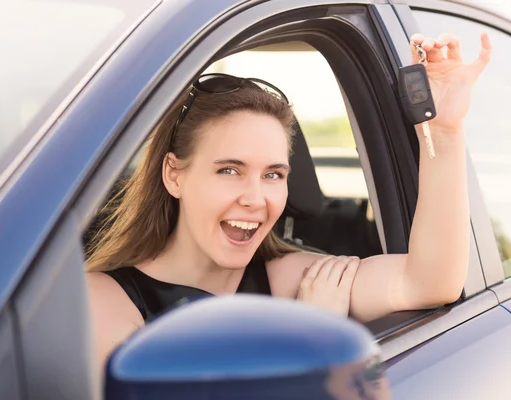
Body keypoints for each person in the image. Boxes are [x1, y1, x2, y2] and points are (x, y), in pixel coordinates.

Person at [84, 32, 492, 368]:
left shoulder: (289, 280)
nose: (256, 198)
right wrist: (310, 345)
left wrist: (442, 131)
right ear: (174, 174)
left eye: (273, 175)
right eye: (229, 170)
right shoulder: (106, 299)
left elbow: (428, 282)